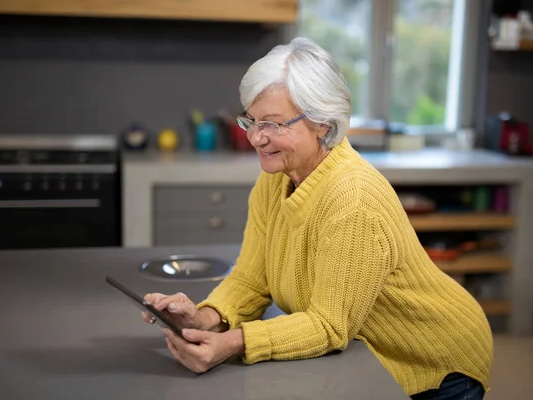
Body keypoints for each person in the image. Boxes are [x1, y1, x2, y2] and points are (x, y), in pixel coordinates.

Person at [142, 37, 493, 399]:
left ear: (323, 124)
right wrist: (205, 318)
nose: (257, 138)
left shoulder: (353, 199)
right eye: (252, 120)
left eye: (274, 124)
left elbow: (328, 325)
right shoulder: (275, 179)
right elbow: (251, 277)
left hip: (438, 359)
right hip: (370, 349)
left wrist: (234, 343)